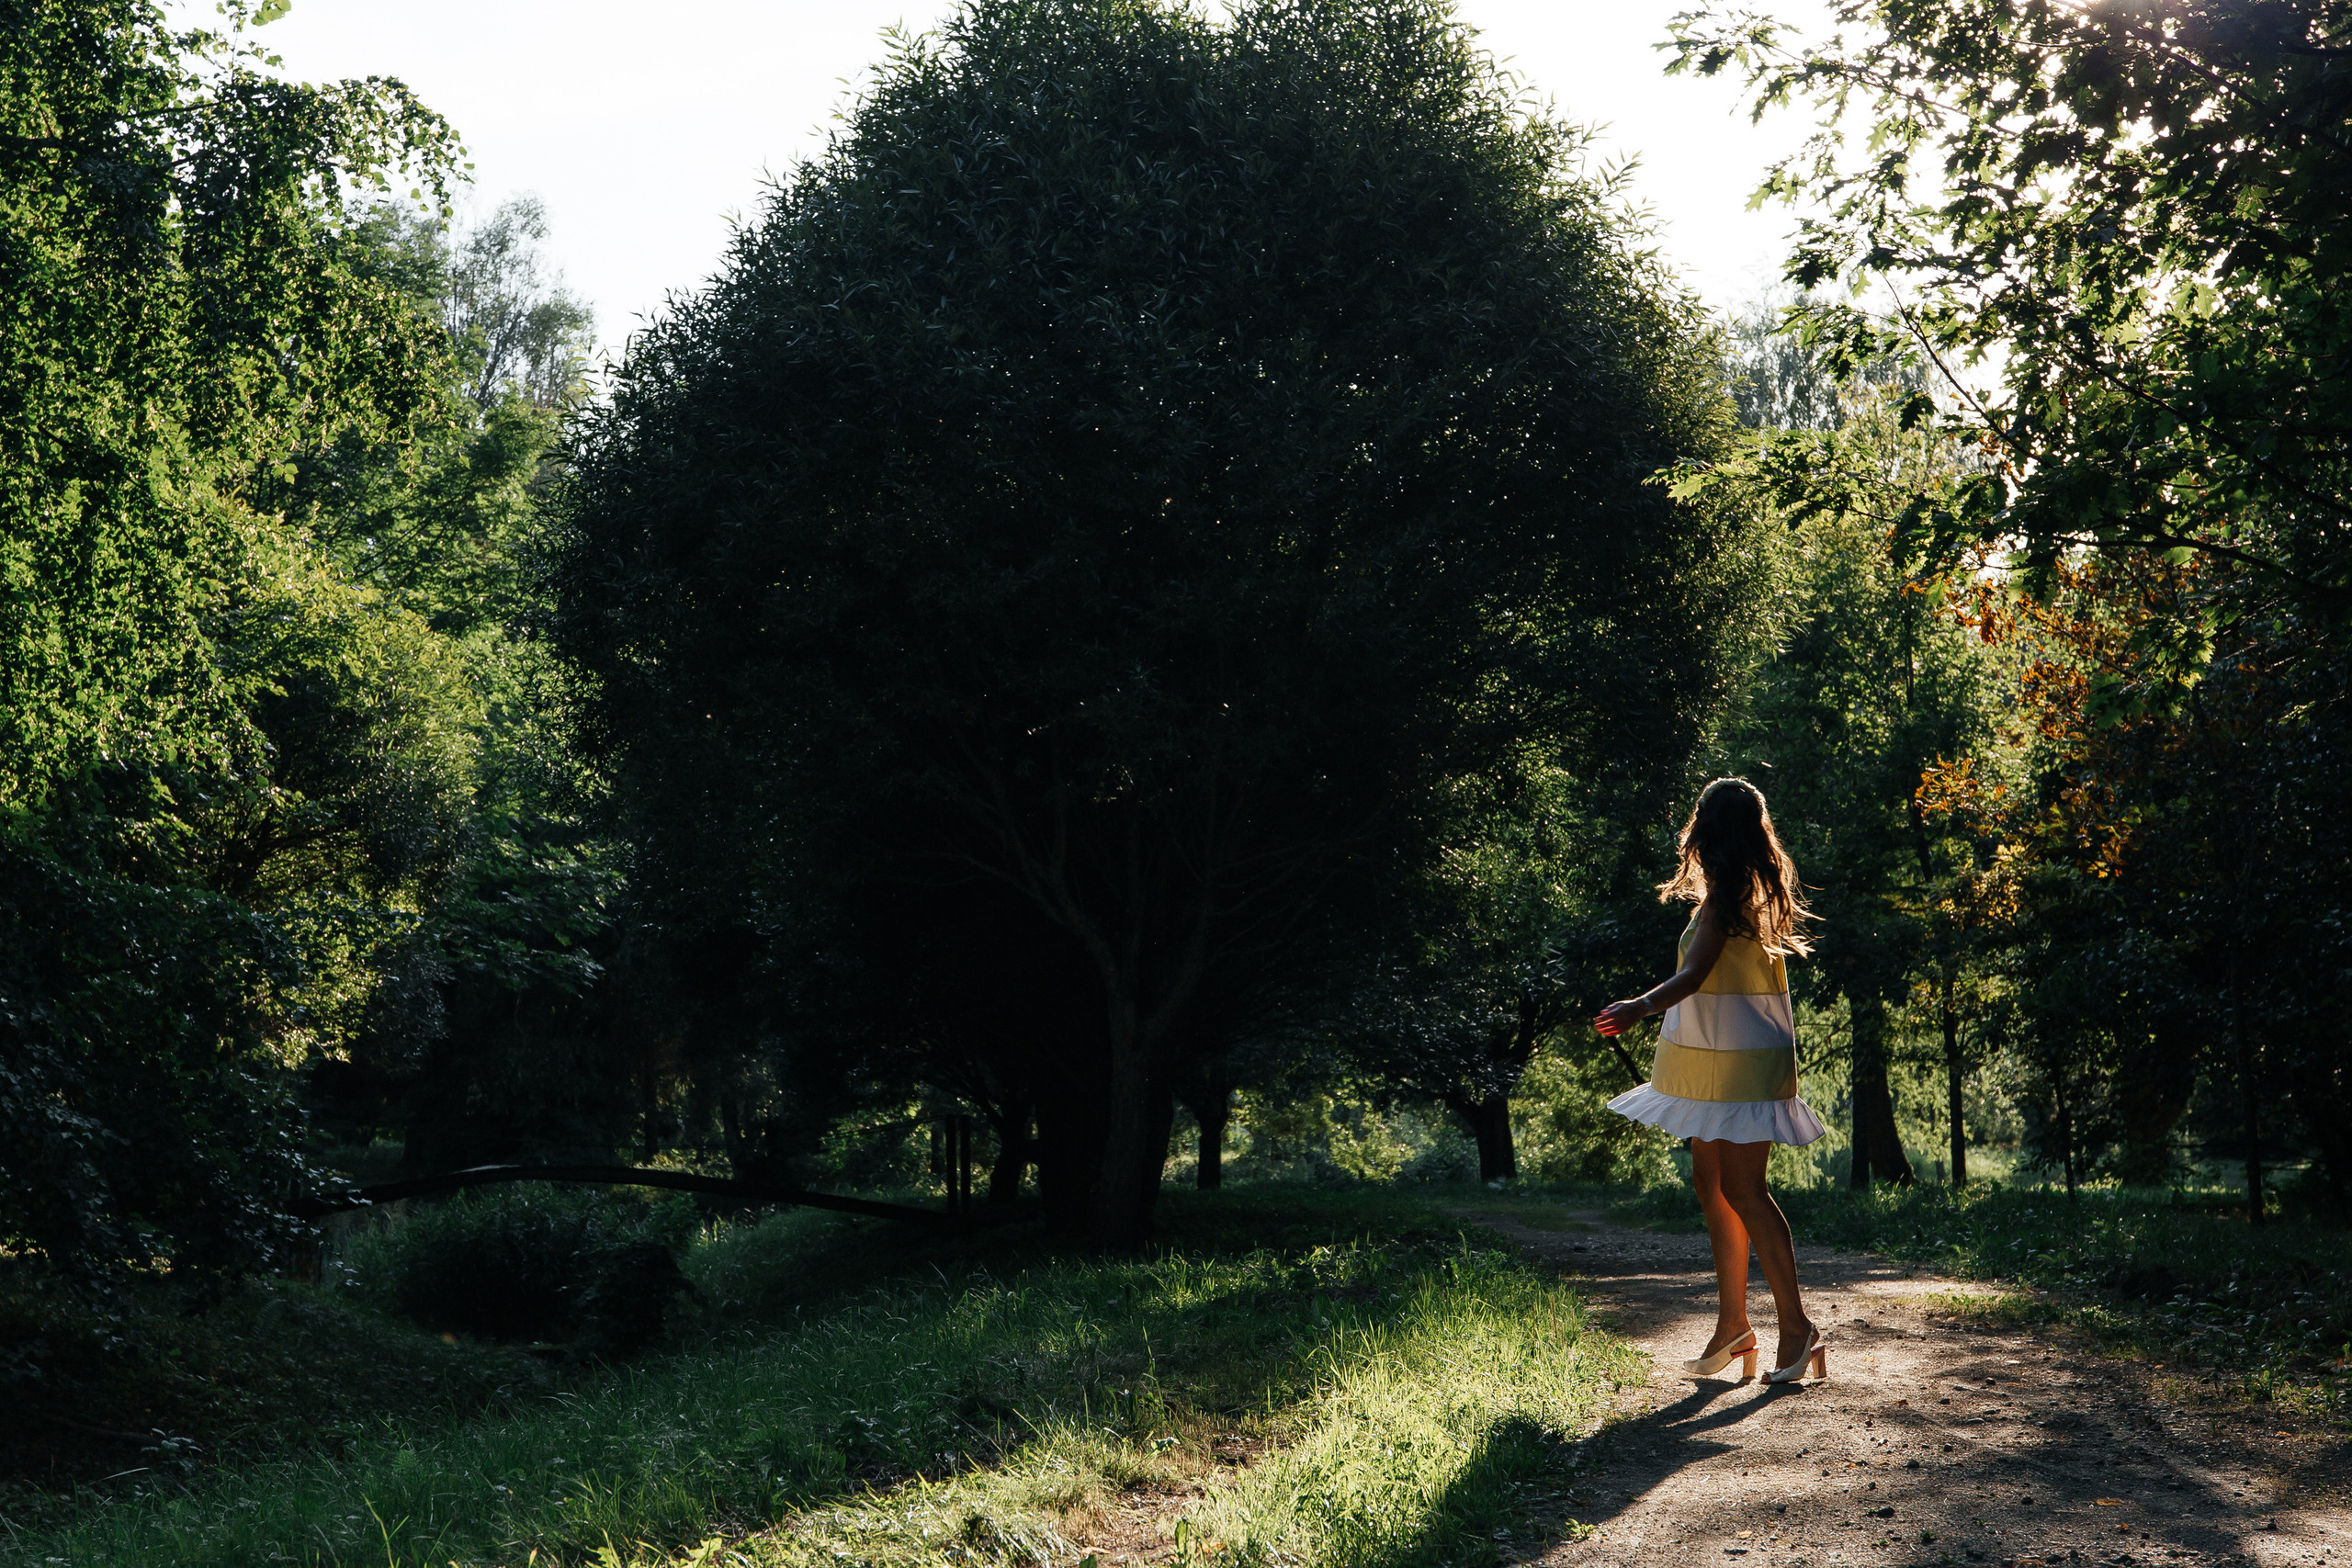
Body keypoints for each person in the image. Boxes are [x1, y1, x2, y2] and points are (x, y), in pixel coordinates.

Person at [1595, 777, 1828, 1384]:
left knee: (1746, 1189)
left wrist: (1638, 1006)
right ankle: (1734, 1326)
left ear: (1709, 830)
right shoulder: (1728, 897)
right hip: (1712, 1061)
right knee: (1711, 1182)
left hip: (1741, 1064)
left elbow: (1695, 974)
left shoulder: (1729, 903)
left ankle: (1798, 1329)